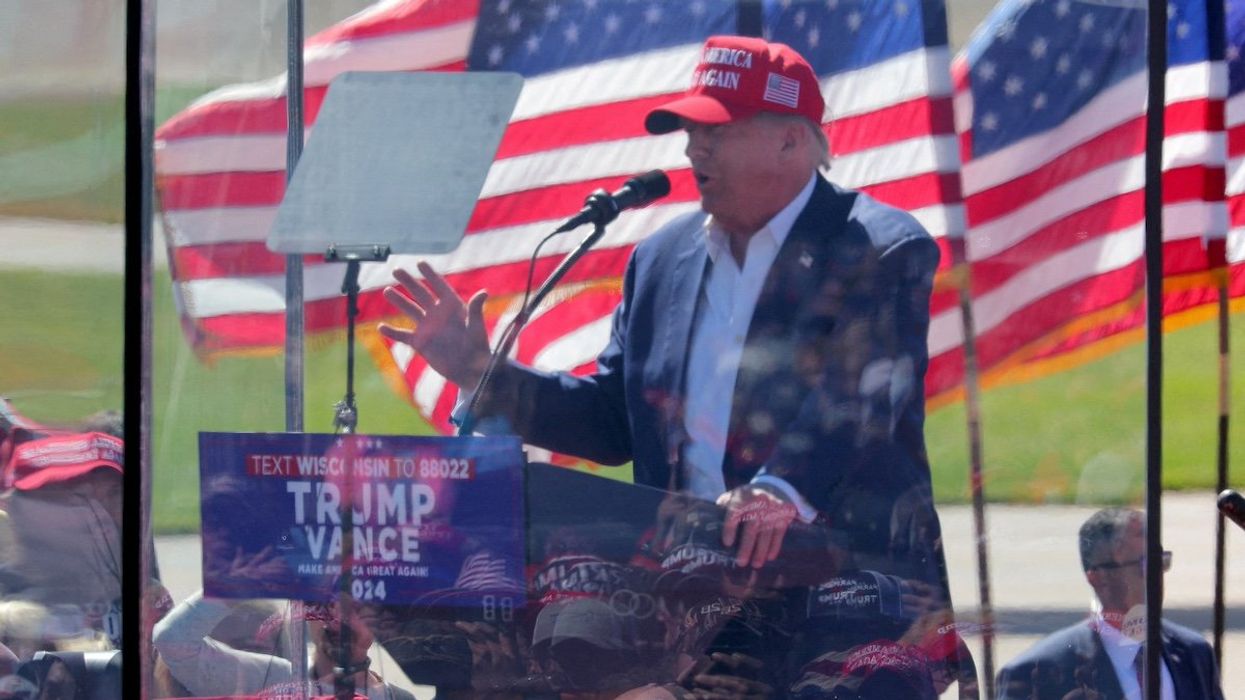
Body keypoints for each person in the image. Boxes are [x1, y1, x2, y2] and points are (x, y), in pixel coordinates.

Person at [381, 34, 948, 691]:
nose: (692, 148)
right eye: (688, 130)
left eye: (716, 131)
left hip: (839, 593)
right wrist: (483, 375)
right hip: (683, 599)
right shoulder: (661, 259)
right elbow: (610, 421)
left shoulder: (876, 246)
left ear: (791, 140)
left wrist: (778, 491)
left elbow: (859, 402)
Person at [995, 508, 1224, 699]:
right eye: (1143, 564)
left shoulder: (1194, 654)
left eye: (1160, 561)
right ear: (1097, 577)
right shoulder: (1038, 673)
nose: (1155, 575)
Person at [153, 590, 415, 700]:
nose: (335, 619)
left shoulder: (397, 698)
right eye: (320, 605)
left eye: (354, 608)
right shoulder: (271, 680)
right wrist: (234, 582)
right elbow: (173, 641)